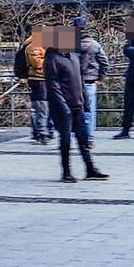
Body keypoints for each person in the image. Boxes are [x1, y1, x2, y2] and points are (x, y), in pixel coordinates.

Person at [42, 25, 109, 182]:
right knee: (65, 140)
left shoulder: (73, 56)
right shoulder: (52, 59)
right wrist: (62, 106)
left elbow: (80, 79)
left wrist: (84, 99)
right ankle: (66, 171)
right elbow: (52, 86)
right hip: (63, 106)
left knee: (83, 138)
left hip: (77, 103)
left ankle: (90, 168)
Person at [75, 17, 109, 146]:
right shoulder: (94, 44)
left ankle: (77, 137)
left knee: (74, 110)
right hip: (90, 81)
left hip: (74, 82)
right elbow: (104, 63)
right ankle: (89, 138)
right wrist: (100, 78)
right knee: (89, 111)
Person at [14, 30, 52, 144]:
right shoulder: (34, 47)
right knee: (42, 107)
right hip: (38, 79)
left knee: (43, 107)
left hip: (44, 79)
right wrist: (53, 60)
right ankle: (41, 133)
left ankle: (42, 131)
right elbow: (37, 63)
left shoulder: (41, 46)